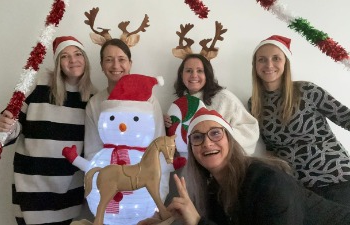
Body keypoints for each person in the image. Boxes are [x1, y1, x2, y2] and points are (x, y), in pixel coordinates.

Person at [139, 107, 350, 225]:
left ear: (230, 140)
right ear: (192, 150)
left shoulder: (268, 181)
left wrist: (196, 221)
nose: (207, 142)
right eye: (197, 137)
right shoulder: (213, 193)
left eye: (215, 133)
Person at [0, 36, 96, 225]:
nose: (73, 60)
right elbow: (11, 127)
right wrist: (5, 127)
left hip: (69, 188)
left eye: (78, 54)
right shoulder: (38, 89)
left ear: (86, 59)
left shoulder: (93, 99)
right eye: (65, 56)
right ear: (58, 63)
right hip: (32, 187)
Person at [249, 34, 350, 205]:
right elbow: (272, 148)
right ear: (255, 65)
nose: (269, 65)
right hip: (301, 190)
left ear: (285, 63)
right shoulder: (254, 103)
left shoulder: (307, 90)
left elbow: (346, 118)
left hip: (338, 178)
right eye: (262, 59)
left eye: (276, 58)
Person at [84, 38, 165, 160]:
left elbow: (159, 144)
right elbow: (92, 149)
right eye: (109, 60)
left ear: (130, 64)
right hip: (108, 176)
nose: (116, 65)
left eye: (121, 59)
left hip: (144, 176)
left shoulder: (149, 100)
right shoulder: (95, 103)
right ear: (101, 65)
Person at [164, 54, 259, 155]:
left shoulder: (224, 98)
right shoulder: (179, 105)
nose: (194, 75)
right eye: (189, 71)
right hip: (191, 165)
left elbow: (250, 129)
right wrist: (166, 125)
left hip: (223, 162)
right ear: (181, 74)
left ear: (207, 75)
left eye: (200, 71)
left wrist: (219, 136)